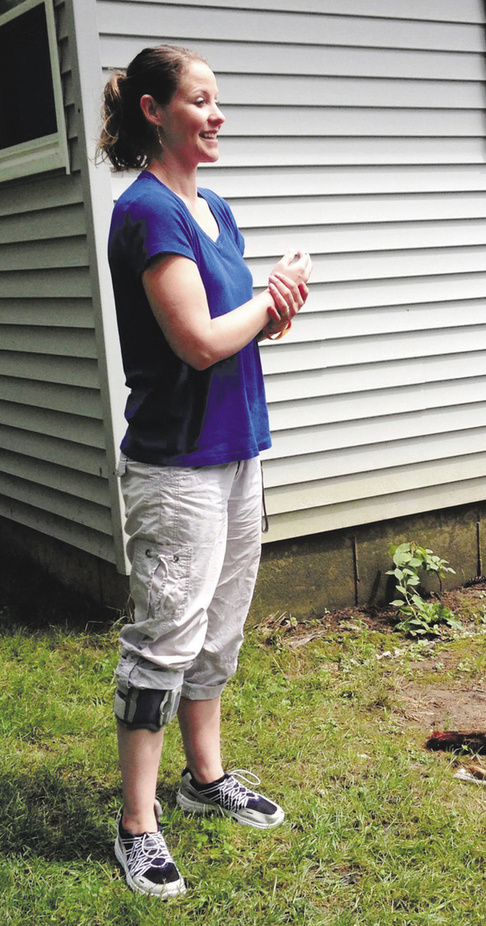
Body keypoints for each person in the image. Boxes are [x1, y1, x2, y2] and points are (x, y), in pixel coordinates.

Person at [97, 44, 312, 898]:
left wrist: (275, 305)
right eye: (200, 100)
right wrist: (269, 300)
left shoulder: (213, 206)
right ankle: (136, 824)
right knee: (165, 641)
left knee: (218, 631)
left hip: (235, 451)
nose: (217, 115)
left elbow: (237, 327)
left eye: (218, 101)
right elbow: (195, 342)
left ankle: (204, 780)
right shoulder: (149, 212)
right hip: (176, 465)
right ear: (154, 111)